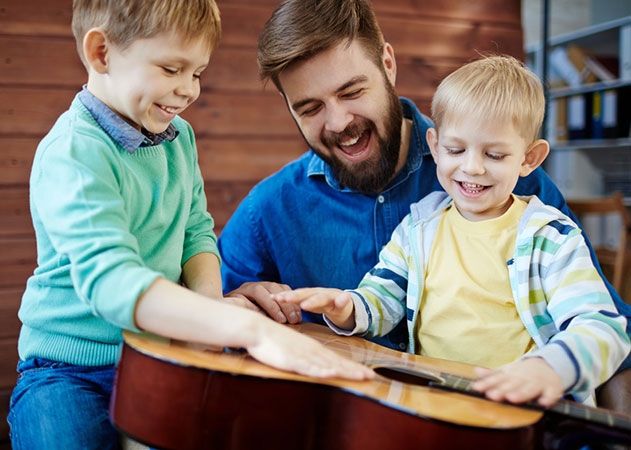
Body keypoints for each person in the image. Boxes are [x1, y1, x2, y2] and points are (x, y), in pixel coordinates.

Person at [218, 0, 631, 409]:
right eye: (310, 108)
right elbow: (205, 312)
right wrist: (233, 302)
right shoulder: (267, 211)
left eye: (352, 91)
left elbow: (609, 334)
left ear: (388, 64)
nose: (340, 122)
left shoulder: (517, 193)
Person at [7, 1, 372, 449]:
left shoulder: (178, 139)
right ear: (101, 53)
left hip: (162, 355)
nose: (187, 90)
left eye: (196, 73)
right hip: (69, 372)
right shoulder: (75, 153)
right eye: (171, 68)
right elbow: (111, 284)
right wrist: (244, 328)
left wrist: (208, 313)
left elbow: (196, 232)